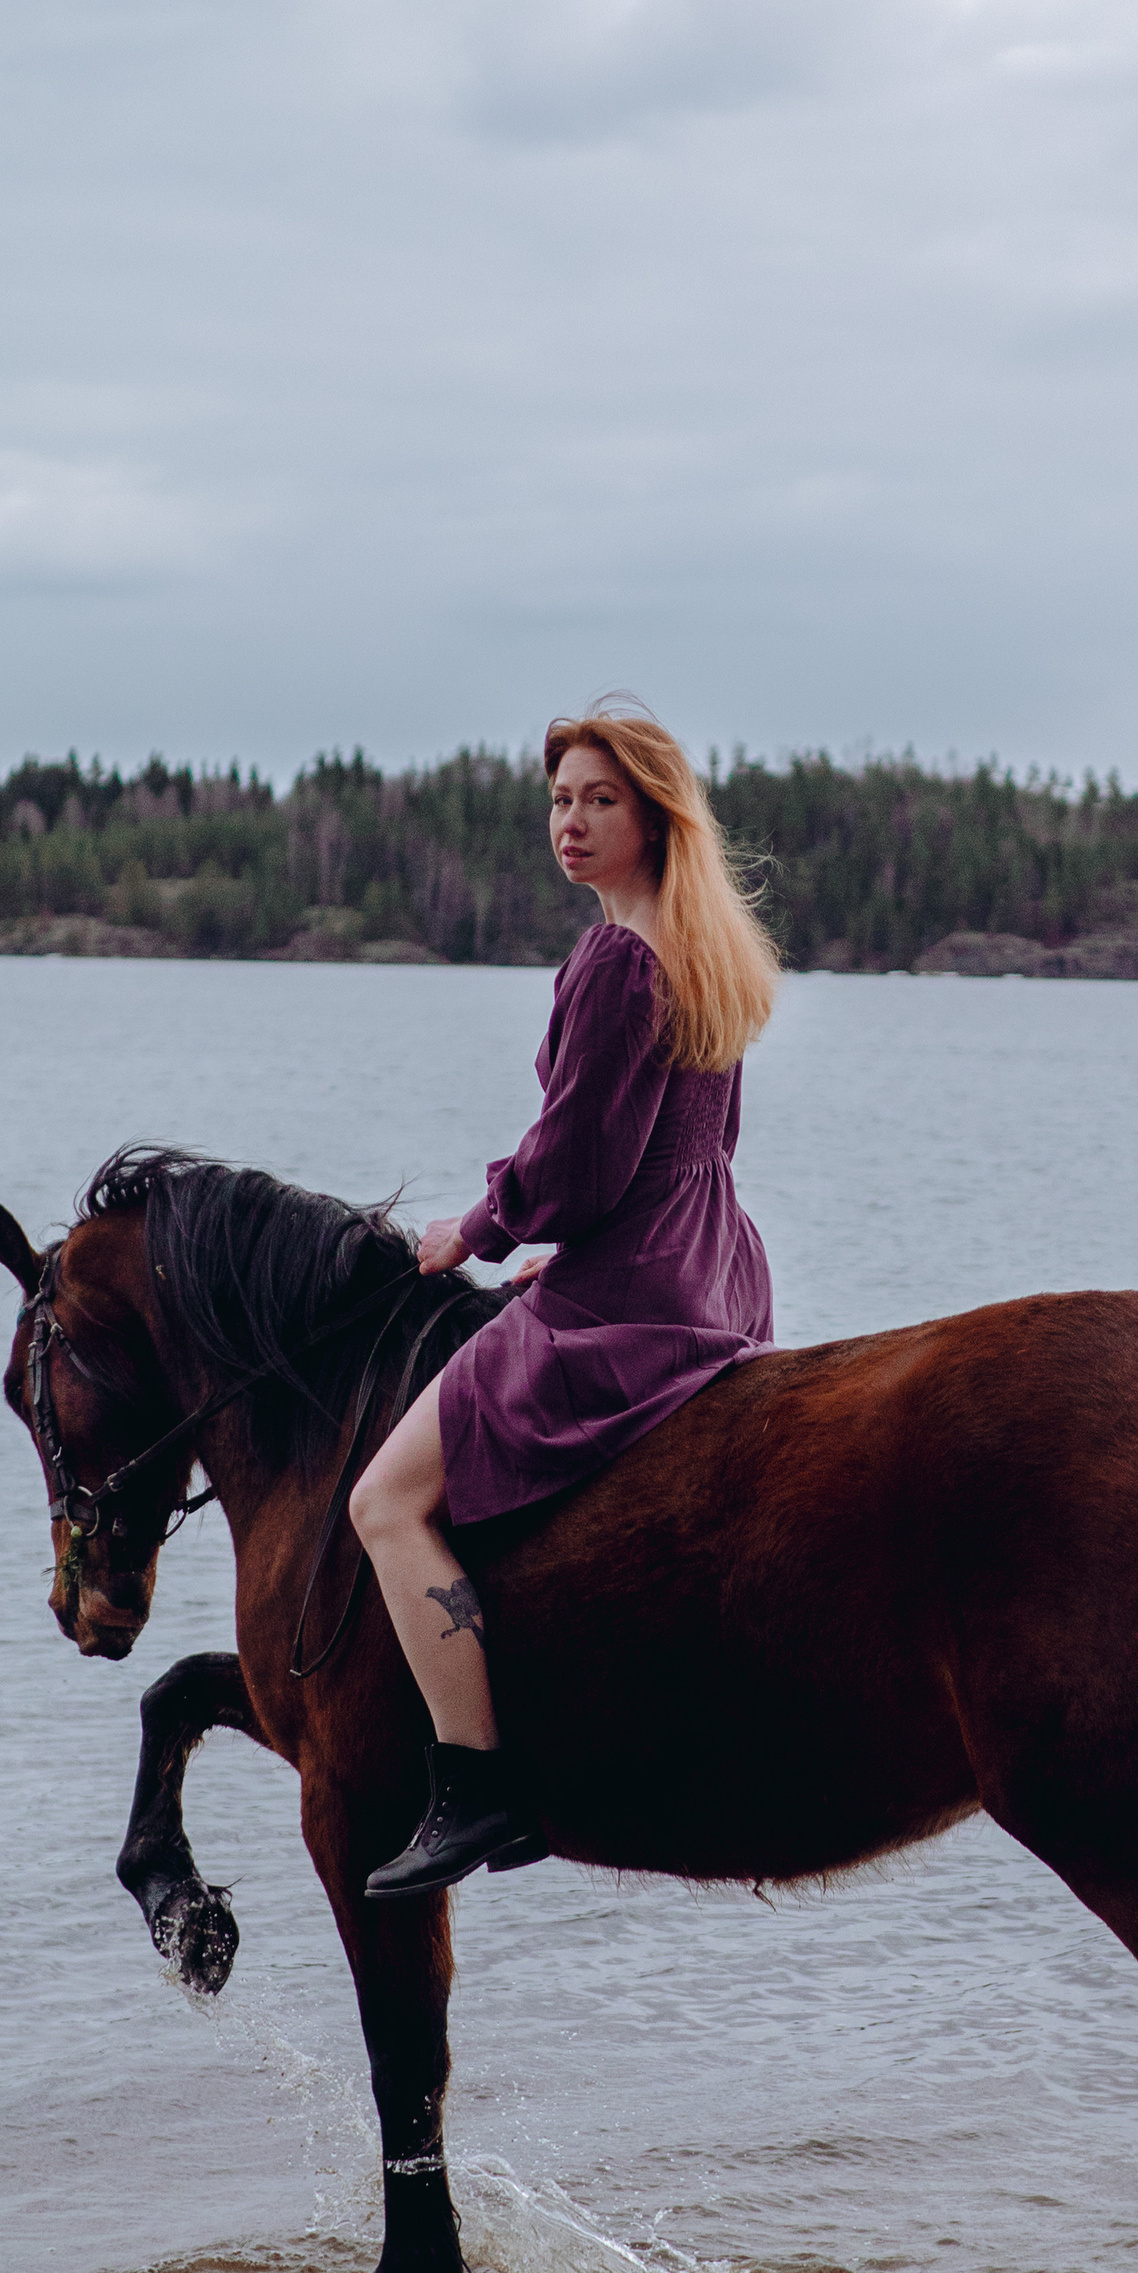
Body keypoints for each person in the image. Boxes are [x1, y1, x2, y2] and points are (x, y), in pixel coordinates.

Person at [352, 702, 782, 1894]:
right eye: (559, 799)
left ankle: (476, 1783)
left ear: (652, 815)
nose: (571, 821)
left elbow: (575, 1162)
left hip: (630, 1290)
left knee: (384, 1500)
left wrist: (477, 1230)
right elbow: (693, 1143)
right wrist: (583, 1238)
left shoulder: (617, 959)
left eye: (599, 798)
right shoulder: (704, 947)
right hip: (708, 1264)